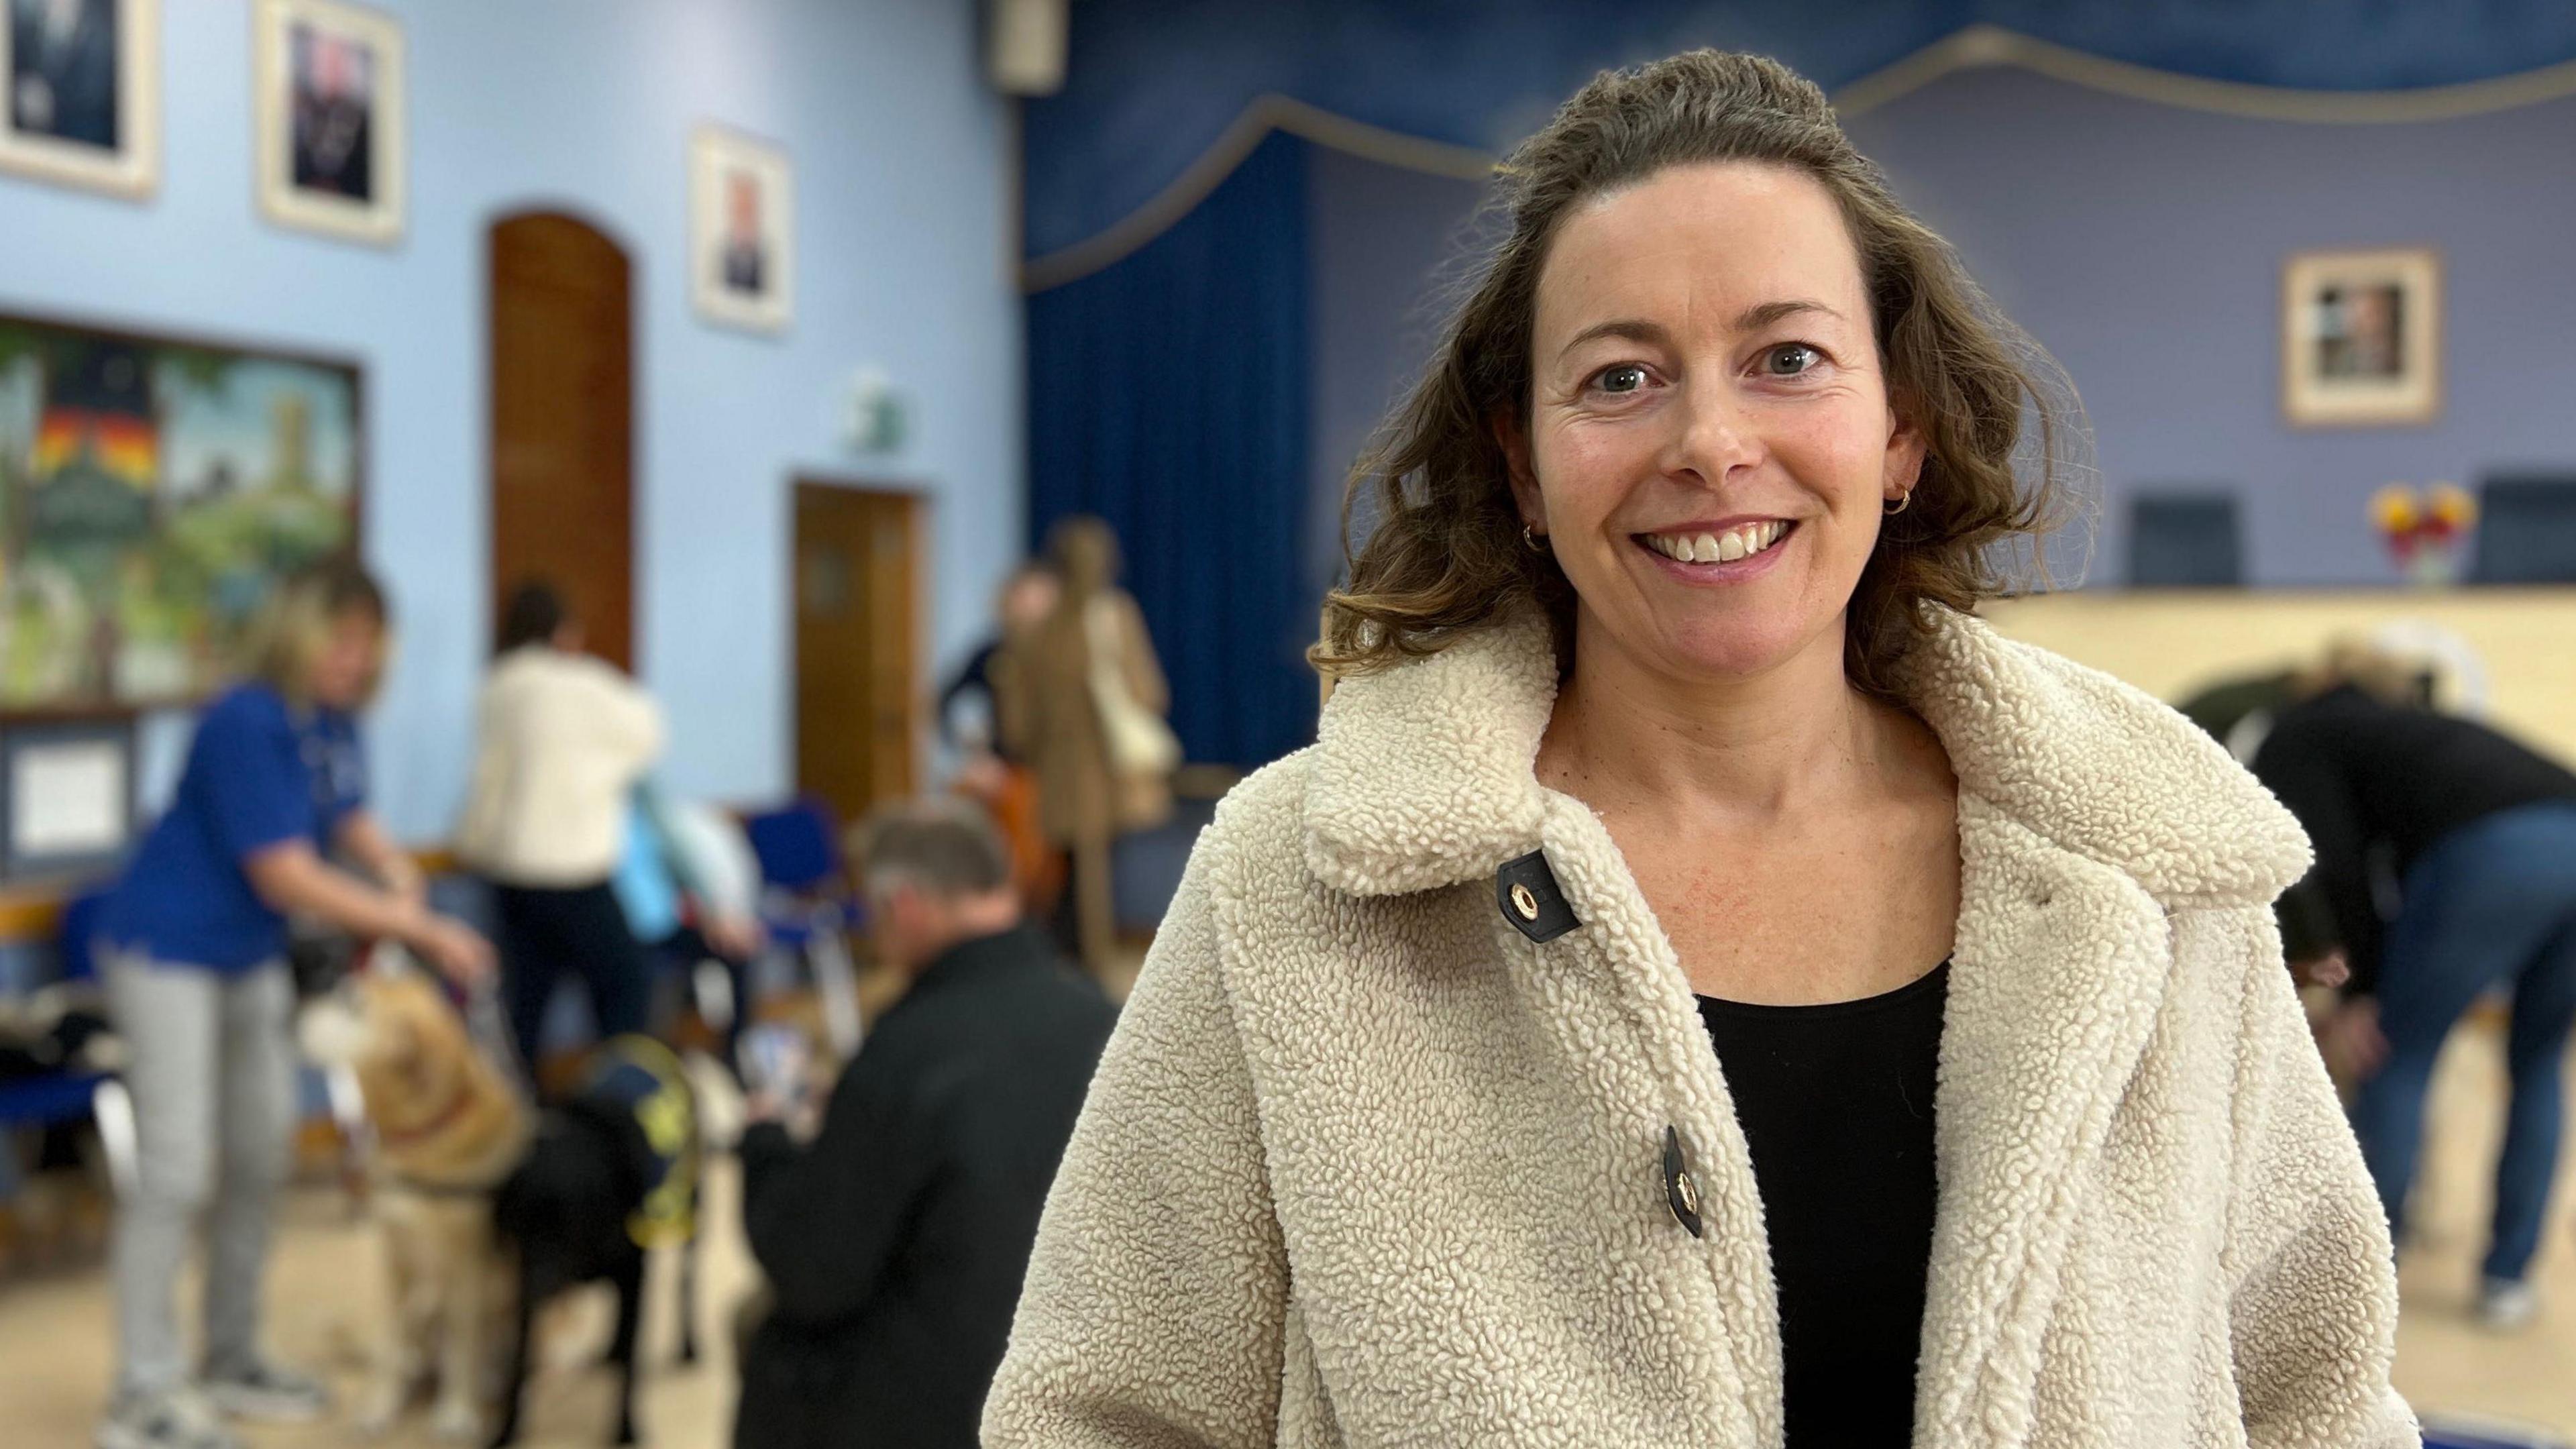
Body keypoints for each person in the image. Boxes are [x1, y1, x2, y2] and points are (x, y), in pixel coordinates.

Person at [983, 50, 2412, 1448]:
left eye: (1788, 358)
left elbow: (2319, 1397)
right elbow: (1103, 1414)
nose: (1712, 443)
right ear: (1525, 467)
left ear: (1900, 430)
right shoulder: (1291, 895)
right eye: (1620, 379)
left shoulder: (2155, 882)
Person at [93, 561, 493, 1449]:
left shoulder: (332, 723)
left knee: (261, 1151)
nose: (353, 661)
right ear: (297, 631)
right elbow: (282, 870)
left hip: (247, 955)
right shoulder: (245, 718)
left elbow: (344, 816)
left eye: (368, 647)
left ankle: (231, 1356)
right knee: (175, 1168)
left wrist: (396, 868)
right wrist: (414, 927)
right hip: (166, 950)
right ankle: (142, 1393)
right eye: (339, 642)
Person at [733, 797, 1114, 1449]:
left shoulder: (905, 1051)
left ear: (903, 906)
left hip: (953, 1403)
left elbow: (812, 1274)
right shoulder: (1105, 1017)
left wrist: (766, 1141)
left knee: (763, 1331)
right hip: (1096, 1376)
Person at [2253, 670, 2576, 1330]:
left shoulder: (2298, 735)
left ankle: (2362, 1286)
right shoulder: (2417, 733)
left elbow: (2331, 867)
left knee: (2397, 1056)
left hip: (2495, 853)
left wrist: (2362, 989)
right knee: (2539, 1063)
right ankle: (2507, 1282)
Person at [456, 580, 665, 1081]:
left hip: (508, 874)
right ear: (564, 634)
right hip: (574, 873)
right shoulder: (583, 683)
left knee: (526, 1007)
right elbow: (649, 733)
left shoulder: (495, 686)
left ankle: (525, 1123)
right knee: (625, 989)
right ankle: (619, 1103)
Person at [996, 517, 1175, 973]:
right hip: (1104, 771)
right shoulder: (1112, 617)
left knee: (1079, 868)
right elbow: (1148, 690)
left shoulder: (1041, 631)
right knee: (1090, 870)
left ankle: (1078, 960)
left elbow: (1020, 724)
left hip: (1063, 771)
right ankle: (1087, 964)